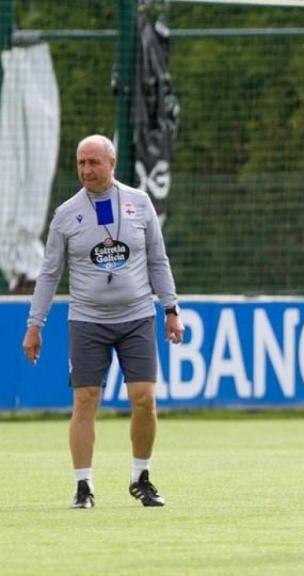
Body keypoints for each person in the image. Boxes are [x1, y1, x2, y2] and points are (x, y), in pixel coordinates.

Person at [22, 134, 184, 509]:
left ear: (112, 164)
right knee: (85, 400)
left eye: (94, 162)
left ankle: (141, 477)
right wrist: (35, 324)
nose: (86, 170)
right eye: (81, 163)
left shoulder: (140, 204)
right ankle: (83, 485)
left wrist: (171, 309)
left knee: (144, 399)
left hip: (137, 316)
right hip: (87, 320)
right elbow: (49, 273)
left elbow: (158, 261)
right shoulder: (65, 215)